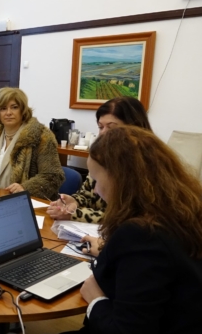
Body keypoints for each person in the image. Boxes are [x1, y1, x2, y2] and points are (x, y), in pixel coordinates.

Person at [30, 126, 202, 334]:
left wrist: (96, 300)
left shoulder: (141, 234)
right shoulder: (182, 212)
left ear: (121, 180)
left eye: (97, 180)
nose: (96, 191)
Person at [47, 96, 153, 255]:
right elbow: (87, 194)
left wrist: (75, 214)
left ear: (134, 128)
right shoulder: (102, 157)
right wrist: (73, 202)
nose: (103, 134)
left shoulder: (144, 167)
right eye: (100, 127)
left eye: (111, 127)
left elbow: (126, 218)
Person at [0, 87, 64, 198]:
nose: (8, 113)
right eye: (3, 108)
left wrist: (25, 187)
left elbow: (53, 176)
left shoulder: (41, 136)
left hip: (23, 200)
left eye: (14, 107)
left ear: (23, 110)